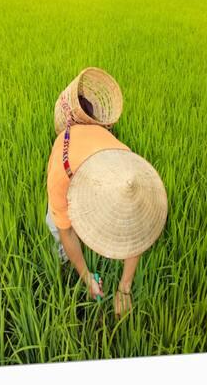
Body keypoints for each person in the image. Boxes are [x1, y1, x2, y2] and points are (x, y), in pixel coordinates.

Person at [46, 97, 167, 318]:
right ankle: (63, 260)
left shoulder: (128, 169)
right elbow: (67, 231)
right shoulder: (60, 177)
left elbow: (137, 231)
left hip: (100, 157)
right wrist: (86, 276)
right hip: (68, 164)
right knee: (56, 225)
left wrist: (125, 288)